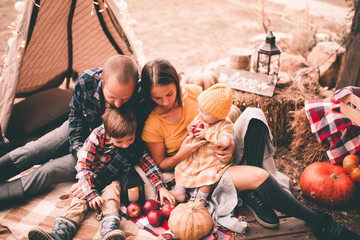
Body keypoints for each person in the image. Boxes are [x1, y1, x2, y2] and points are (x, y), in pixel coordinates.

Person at [140, 58, 360, 240]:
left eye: (169, 94)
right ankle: (322, 223)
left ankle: (251, 194)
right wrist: (184, 151)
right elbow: (163, 164)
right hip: (200, 171)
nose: (167, 102)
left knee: (254, 114)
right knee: (259, 176)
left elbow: (220, 116)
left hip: (219, 150)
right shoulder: (152, 123)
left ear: (177, 83)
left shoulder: (192, 92)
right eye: (157, 97)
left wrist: (231, 144)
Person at [0, 55, 174, 210]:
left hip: (108, 151)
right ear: (102, 79)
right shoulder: (85, 81)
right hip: (83, 132)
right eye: (112, 98)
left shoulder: (142, 99)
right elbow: (75, 116)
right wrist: (79, 151)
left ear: (135, 86)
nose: (118, 104)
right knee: (36, 149)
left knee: (49, 170)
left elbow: (133, 147)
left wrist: (94, 180)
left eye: (125, 98)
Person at [29, 107, 147, 240]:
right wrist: (90, 193)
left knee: (112, 196)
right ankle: (58, 234)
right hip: (90, 176)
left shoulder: (132, 137)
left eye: (129, 140)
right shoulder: (97, 136)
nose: (125, 145)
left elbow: (146, 160)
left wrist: (160, 185)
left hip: (112, 178)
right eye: (119, 142)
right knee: (78, 202)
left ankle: (109, 230)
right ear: (108, 133)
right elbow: (83, 165)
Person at [171, 83, 234, 206]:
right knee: (182, 168)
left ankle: (201, 198)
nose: (200, 114)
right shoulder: (201, 119)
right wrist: (192, 127)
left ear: (218, 115)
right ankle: (179, 191)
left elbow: (226, 140)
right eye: (200, 110)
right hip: (195, 158)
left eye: (204, 113)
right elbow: (192, 132)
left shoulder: (225, 125)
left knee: (207, 179)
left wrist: (208, 133)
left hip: (211, 161)